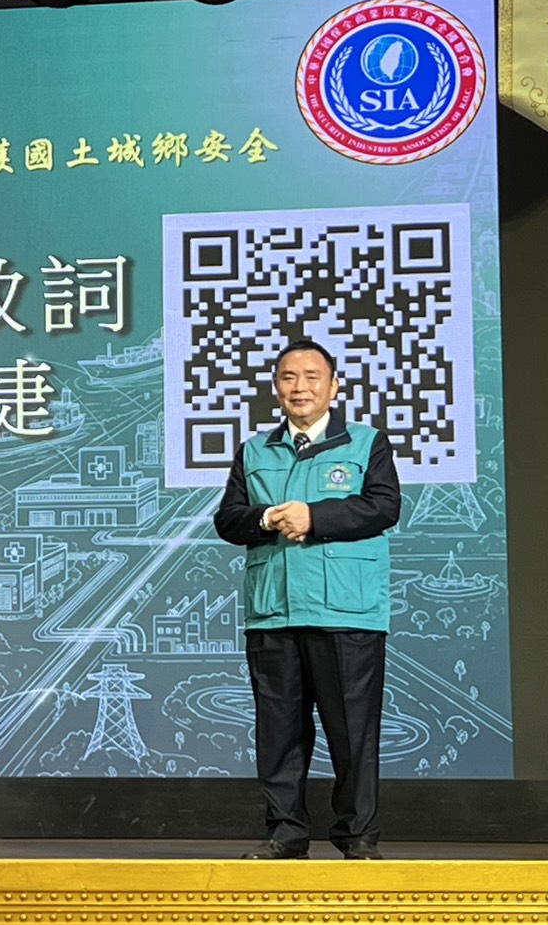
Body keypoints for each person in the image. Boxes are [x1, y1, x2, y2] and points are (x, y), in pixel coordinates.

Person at [212, 338, 400, 860]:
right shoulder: (254, 450)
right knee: (279, 733)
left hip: (347, 612)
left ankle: (358, 835)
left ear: (334, 386)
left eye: (312, 377)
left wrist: (314, 517)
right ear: (276, 388)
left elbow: (383, 507)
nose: (300, 387)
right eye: (289, 377)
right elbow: (228, 520)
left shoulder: (366, 443)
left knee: (353, 732)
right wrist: (267, 518)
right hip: (274, 611)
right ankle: (286, 833)